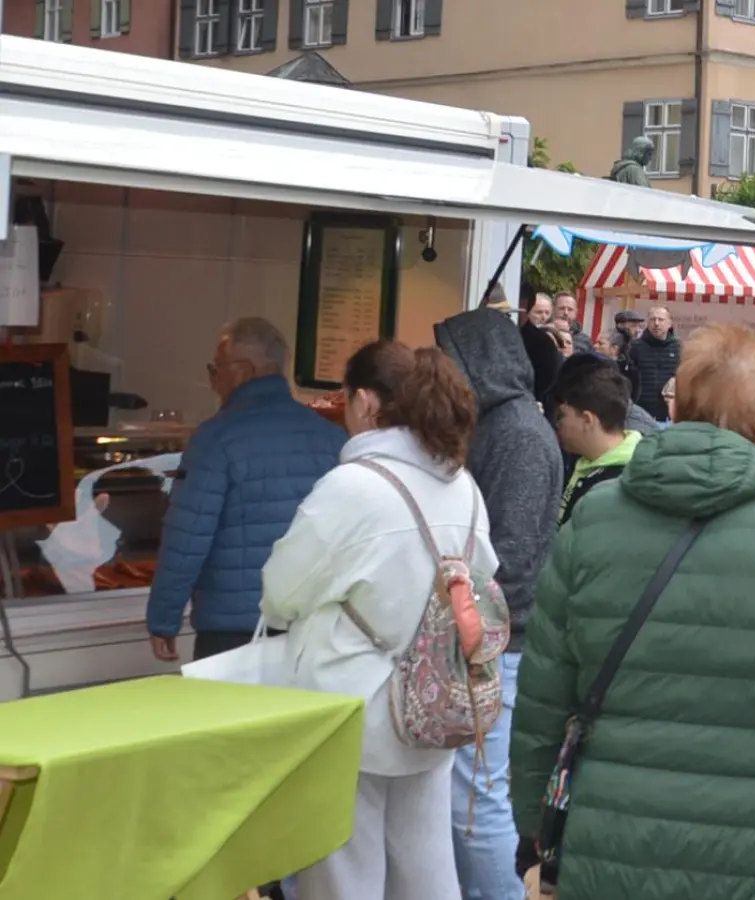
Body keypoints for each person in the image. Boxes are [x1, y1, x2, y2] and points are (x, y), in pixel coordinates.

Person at [510, 323, 755, 900]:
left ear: (677, 407)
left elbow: (544, 692)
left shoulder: (594, 519)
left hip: (614, 836)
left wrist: (533, 826)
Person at [262, 340, 496, 900]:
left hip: (348, 706)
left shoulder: (352, 487)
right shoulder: (463, 486)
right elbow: (485, 580)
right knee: (426, 868)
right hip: (434, 702)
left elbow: (280, 594)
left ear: (365, 402)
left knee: (344, 873)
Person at [433, 307, 565, 900]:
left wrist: (465, 622)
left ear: (478, 363)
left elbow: (511, 557)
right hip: (491, 640)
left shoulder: (518, 435)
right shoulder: (502, 425)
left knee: (476, 802)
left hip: (497, 646)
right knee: (470, 797)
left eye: (451, 361)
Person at [146, 318, 345, 662]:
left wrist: (164, 617)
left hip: (232, 632)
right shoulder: (332, 438)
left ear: (243, 370)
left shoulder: (216, 439)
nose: (213, 379)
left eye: (215, 368)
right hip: (311, 627)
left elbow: (187, 539)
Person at [549, 358, 642, 525]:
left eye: (562, 416)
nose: (558, 424)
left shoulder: (625, 482)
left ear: (587, 419)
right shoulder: (587, 462)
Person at [627, 305, 680, 423]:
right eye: (652, 319)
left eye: (661, 320)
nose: (656, 323)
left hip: (668, 415)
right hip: (641, 413)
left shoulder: (678, 347)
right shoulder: (635, 347)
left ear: (669, 323)